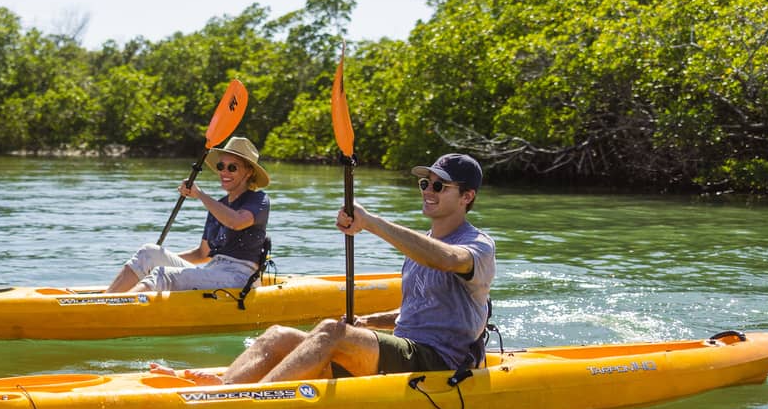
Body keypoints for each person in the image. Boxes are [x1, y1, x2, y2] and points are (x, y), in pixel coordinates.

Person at [155, 153, 494, 384]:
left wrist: (370, 222)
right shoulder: (423, 240)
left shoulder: (478, 246)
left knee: (332, 331)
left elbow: (447, 260)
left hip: (440, 361)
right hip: (406, 348)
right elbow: (421, 310)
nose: (428, 192)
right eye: (425, 184)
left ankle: (252, 399)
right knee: (279, 334)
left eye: (439, 186)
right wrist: (368, 322)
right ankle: (226, 384)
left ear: (467, 196)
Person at [105, 136, 271, 293]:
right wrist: (156, 260)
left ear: (249, 172)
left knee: (163, 274)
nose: (224, 172)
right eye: (221, 166)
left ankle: (116, 308)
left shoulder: (258, 199)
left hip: (240, 277)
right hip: (214, 270)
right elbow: (202, 254)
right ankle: (105, 301)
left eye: (232, 167)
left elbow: (237, 222)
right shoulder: (219, 205)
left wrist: (200, 194)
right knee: (149, 252)